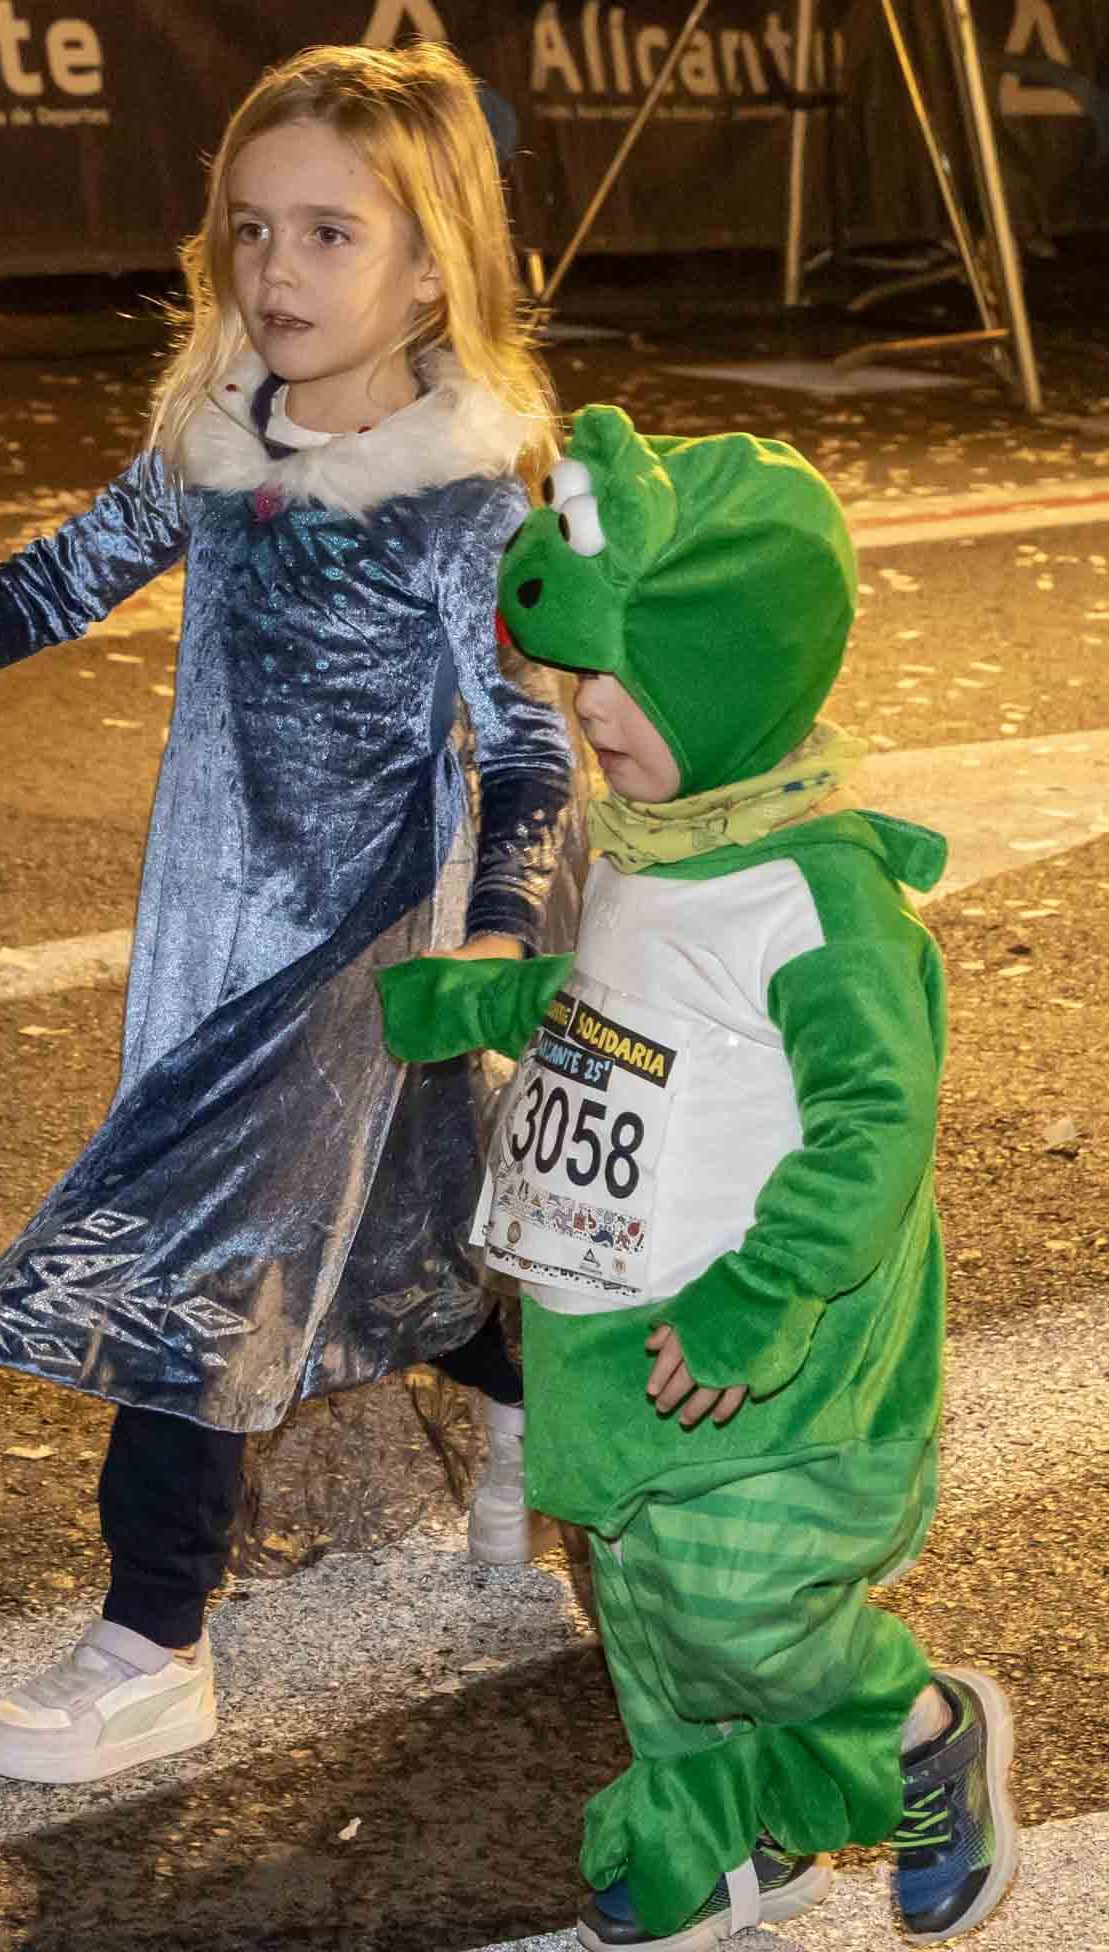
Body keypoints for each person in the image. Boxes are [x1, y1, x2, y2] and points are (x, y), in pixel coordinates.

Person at [0, 41, 581, 1785]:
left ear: (435, 265)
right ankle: (533, 1420)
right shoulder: (218, 440)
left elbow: (524, 737)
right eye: (247, 230)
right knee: (403, 1217)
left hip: (364, 939)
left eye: (327, 235)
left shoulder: (462, 489)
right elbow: (72, 569)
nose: (275, 275)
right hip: (208, 929)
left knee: (196, 1263)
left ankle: (151, 1637)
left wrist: (505, 925)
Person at [379, 409, 1019, 1947]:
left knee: (747, 1610)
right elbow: (629, 1019)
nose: (585, 707)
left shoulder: (821, 893)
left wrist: (762, 1295)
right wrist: (485, 1000)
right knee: (656, 1628)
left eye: (624, 675)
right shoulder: (660, 838)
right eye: (574, 673)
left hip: (768, 1369)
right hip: (610, 1330)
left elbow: (876, 1122)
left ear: (730, 666)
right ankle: (716, 1829)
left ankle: (921, 1727)